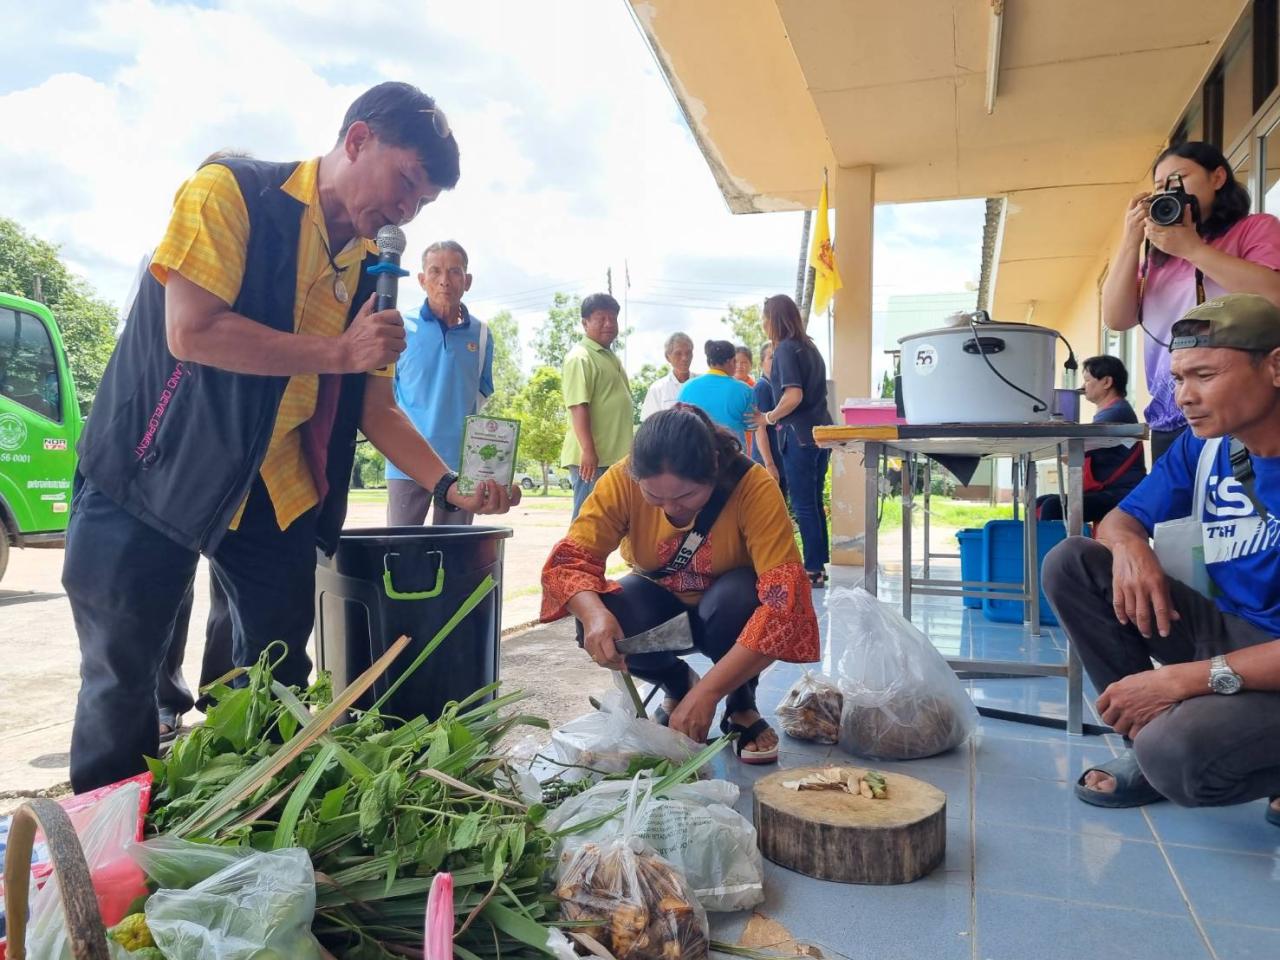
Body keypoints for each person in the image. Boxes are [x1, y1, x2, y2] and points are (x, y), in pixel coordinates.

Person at [64, 81, 521, 793]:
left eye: (423, 201)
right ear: (358, 138)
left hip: (275, 488)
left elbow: (376, 408)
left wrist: (450, 485)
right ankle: (101, 871)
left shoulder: (378, 269)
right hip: (152, 474)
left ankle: (247, 838)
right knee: (123, 681)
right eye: (406, 181)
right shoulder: (232, 194)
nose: (408, 208)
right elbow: (191, 331)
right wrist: (336, 353)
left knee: (273, 681)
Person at [1042, 294, 1280, 828]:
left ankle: (1171, 747)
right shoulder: (1210, 445)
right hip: (1233, 629)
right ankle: (1141, 743)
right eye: (1177, 378)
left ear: (1276, 366)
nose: (1185, 397)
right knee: (1073, 562)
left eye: (1204, 375)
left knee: (1177, 753)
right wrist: (1131, 549)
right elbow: (1120, 521)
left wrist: (1181, 682)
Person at [540, 404, 820, 763]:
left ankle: (740, 702)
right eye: (654, 497)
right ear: (635, 476)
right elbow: (569, 562)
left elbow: (786, 603)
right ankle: (676, 683)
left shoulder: (754, 487)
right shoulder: (621, 481)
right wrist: (594, 615)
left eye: (686, 496)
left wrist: (709, 693)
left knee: (741, 598)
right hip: (660, 601)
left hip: (727, 611)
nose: (671, 509)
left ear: (715, 470)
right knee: (600, 612)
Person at [1101, 140, 1280, 462]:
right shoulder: (1159, 257)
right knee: (1174, 511)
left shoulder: (1254, 228)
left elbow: (1273, 294)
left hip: (1243, 409)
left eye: (1179, 178)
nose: (1170, 190)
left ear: (1218, 178)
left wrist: (1193, 248)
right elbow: (1116, 318)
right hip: (1173, 410)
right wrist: (1130, 242)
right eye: (1160, 186)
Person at [387, 240, 494, 525]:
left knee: (455, 556)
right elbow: (386, 393)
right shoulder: (399, 328)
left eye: (455, 272)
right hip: (405, 462)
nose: (444, 281)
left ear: (467, 281)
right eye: (435, 271)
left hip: (462, 465)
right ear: (422, 280)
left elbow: (483, 389)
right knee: (402, 553)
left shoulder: (482, 335)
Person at [760, 294, 833, 587]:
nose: (764, 324)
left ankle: (813, 568)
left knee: (804, 504)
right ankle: (819, 564)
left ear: (773, 319)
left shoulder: (786, 349)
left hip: (799, 435)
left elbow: (793, 395)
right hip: (820, 434)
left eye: (765, 318)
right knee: (813, 502)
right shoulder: (810, 348)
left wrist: (769, 417)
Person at [1036, 354, 1146, 524]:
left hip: (1122, 492)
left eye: (1087, 380)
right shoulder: (1111, 411)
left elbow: (1074, 452)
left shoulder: (1115, 412)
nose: (1082, 386)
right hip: (1107, 490)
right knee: (1041, 503)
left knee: (1052, 507)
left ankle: (1055, 550)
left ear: (1107, 382)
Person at [560, 293, 633, 519]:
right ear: (585, 323)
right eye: (601, 318)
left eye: (613, 318)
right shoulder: (580, 357)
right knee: (587, 524)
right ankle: (574, 557)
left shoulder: (609, 356)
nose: (609, 324)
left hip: (614, 458)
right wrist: (589, 451)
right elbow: (578, 406)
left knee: (610, 523)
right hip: (593, 460)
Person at [677, 340, 756, 447]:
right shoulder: (744, 390)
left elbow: (680, 424)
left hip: (697, 452)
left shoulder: (686, 387)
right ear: (731, 361)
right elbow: (753, 424)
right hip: (734, 455)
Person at [752, 341, 789, 502]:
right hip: (768, 460)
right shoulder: (762, 388)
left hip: (780, 460)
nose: (776, 361)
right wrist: (769, 464)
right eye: (771, 357)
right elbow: (759, 428)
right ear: (761, 363)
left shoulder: (780, 388)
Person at [640, 332, 694, 420]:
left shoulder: (702, 385)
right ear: (667, 357)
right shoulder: (657, 389)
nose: (685, 358)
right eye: (678, 353)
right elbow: (650, 424)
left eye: (688, 353)